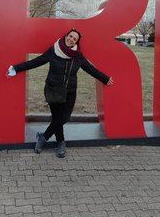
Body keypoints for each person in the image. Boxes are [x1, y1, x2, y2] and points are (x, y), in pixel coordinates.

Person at [6, 28, 113, 157]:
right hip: (53, 90)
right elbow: (36, 62)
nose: (71, 39)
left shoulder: (78, 56)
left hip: (70, 92)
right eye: (70, 36)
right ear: (66, 36)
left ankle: (43, 137)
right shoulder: (54, 50)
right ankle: (61, 142)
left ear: (76, 42)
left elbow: (90, 69)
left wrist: (105, 78)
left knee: (64, 118)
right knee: (57, 118)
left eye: (74, 39)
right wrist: (16, 68)